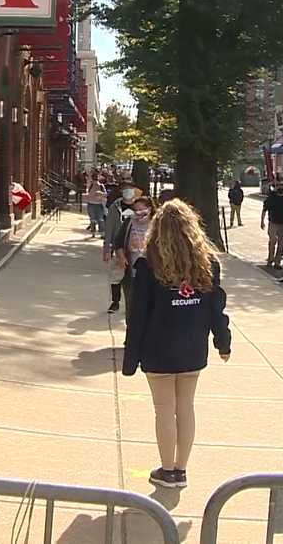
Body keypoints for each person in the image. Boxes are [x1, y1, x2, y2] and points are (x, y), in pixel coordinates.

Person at [122, 199, 231, 489]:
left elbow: (138, 314)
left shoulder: (148, 264)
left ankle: (167, 469)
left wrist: (130, 359)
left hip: (158, 347)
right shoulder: (208, 264)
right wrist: (223, 342)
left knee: (164, 409)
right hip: (192, 347)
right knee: (186, 407)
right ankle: (181, 469)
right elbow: (215, 308)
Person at [114, 195, 155, 323]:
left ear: (149, 209)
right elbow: (118, 242)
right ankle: (130, 336)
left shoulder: (157, 224)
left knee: (150, 307)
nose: (138, 213)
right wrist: (121, 256)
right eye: (135, 210)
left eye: (141, 210)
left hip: (151, 273)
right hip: (131, 272)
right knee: (131, 307)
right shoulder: (129, 222)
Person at [104, 181, 139, 314]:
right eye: (125, 190)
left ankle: (136, 304)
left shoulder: (139, 206)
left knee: (137, 277)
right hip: (119, 246)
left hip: (137, 247)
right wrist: (107, 248)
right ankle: (115, 302)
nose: (128, 192)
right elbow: (109, 228)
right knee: (116, 275)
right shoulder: (115, 207)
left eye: (130, 189)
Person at [261, 182, 283, 269]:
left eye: (282, 187)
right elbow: (264, 209)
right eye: (279, 187)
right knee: (273, 241)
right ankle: (270, 258)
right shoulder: (271, 197)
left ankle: (277, 262)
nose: (280, 189)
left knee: (281, 244)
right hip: (273, 223)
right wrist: (262, 221)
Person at [86, 171, 108, 236]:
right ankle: (93, 232)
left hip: (98, 204)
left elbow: (106, 194)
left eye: (96, 177)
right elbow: (88, 193)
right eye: (94, 177)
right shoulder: (91, 185)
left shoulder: (101, 186)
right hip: (91, 204)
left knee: (100, 219)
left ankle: (101, 233)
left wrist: (101, 194)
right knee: (93, 219)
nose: (95, 178)